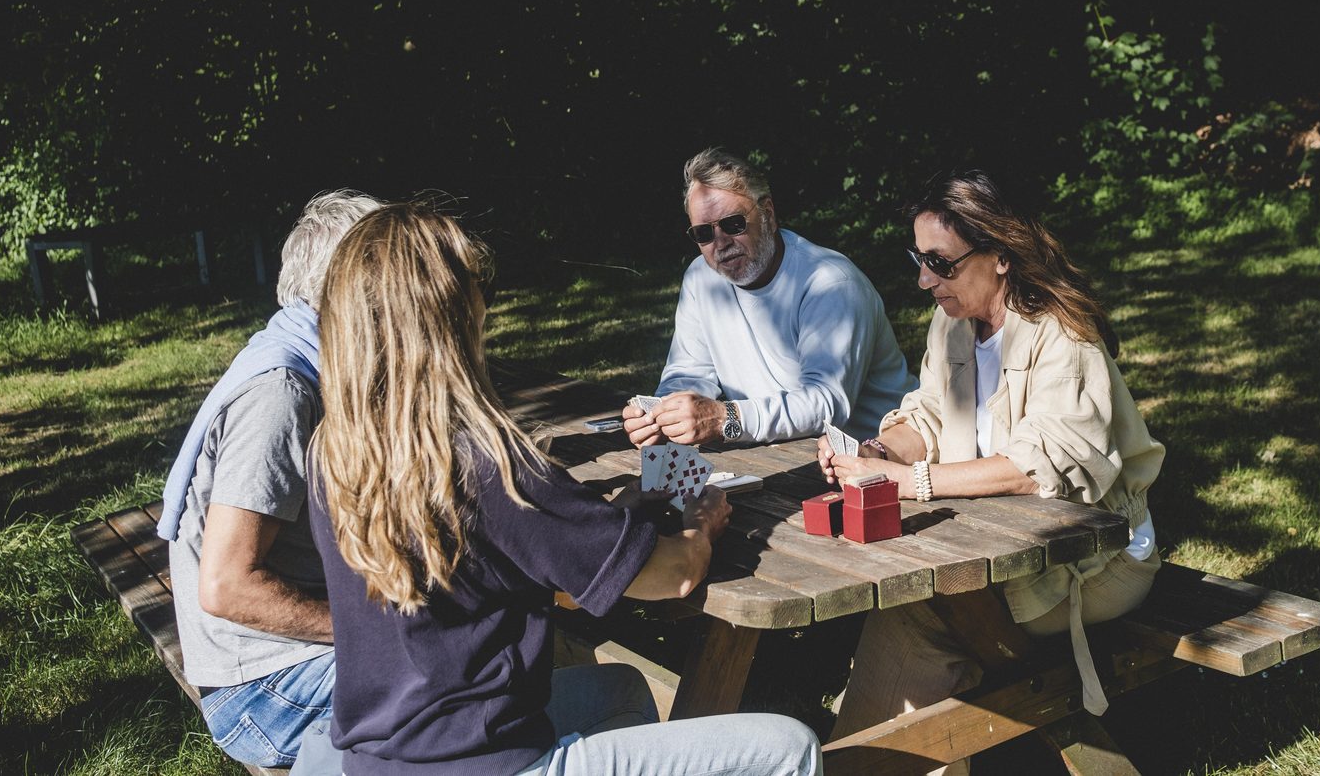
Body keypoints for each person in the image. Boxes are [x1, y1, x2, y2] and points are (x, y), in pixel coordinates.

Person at [305, 201, 822, 775]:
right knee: (788, 748)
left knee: (623, 689)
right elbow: (672, 576)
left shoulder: (336, 447)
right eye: (480, 295)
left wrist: (607, 517)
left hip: (381, 757)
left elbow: (499, 547)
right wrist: (702, 521)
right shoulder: (490, 467)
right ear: (451, 318)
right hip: (489, 764)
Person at [819, 169, 1164, 775]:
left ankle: (863, 762)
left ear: (1000, 257)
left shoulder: (1062, 336)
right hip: (1004, 540)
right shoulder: (953, 321)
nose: (925, 280)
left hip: (1095, 561)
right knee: (917, 594)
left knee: (923, 607)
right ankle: (875, 756)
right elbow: (927, 415)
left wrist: (916, 483)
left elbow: (1039, 470)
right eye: (918, 259)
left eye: (941, 263)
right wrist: (879, 453)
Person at [160, 188, 380, 775]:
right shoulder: (281, 393)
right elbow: (228, 587)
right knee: (464, 660)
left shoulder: (305, 359)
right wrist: (363, 627)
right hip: (261, 692)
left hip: (273, 668)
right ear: (348, 288)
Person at [624, 147, 914, 449]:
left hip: (873, 457)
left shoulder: (830, 283)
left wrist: (728, 418)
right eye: (703, 234)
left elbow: (826, 403)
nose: (721, 243)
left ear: (768, 214)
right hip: (780, 454)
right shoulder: (701, 278)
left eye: (733, 224)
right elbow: (689, 371)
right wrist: (661, 414)